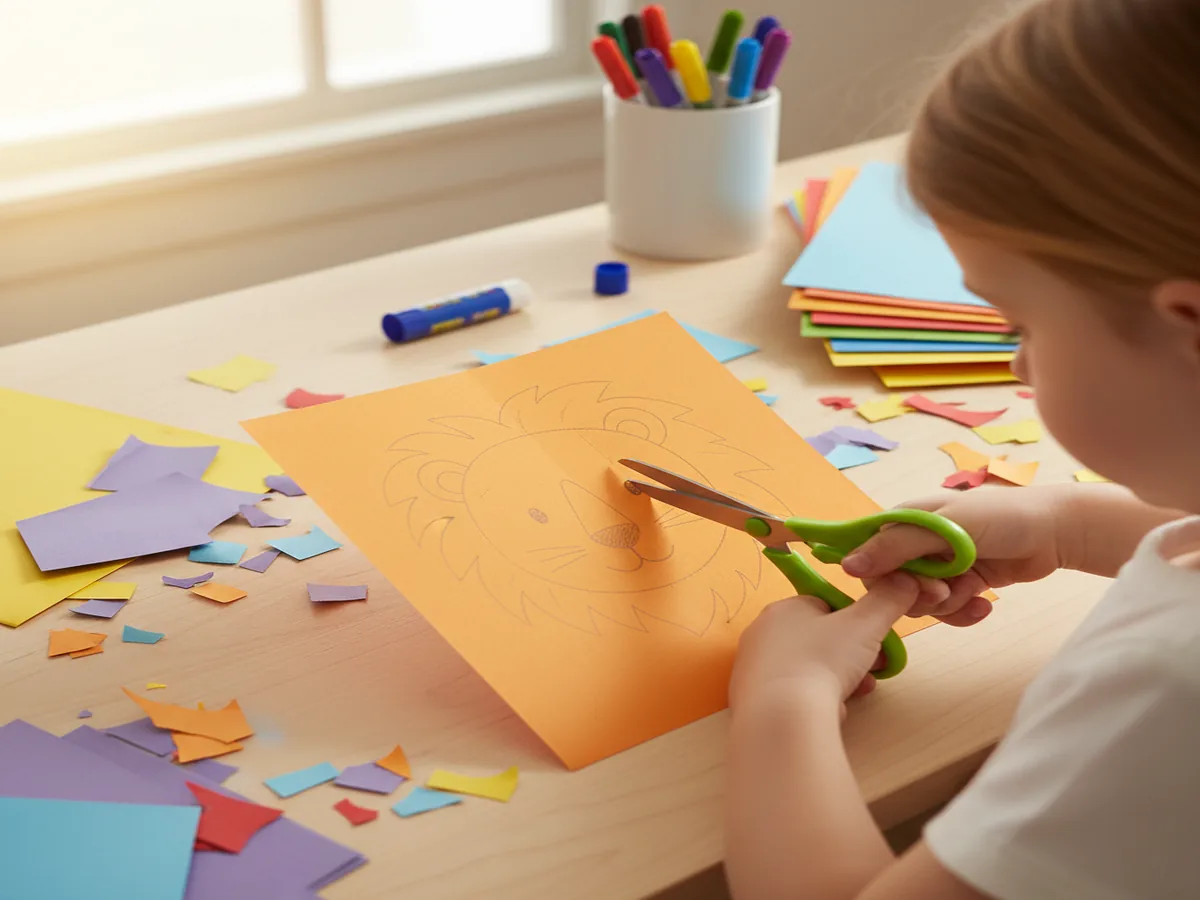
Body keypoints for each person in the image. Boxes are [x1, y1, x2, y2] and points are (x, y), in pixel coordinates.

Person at [724, 1, 1200, 897]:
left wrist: (781, 706)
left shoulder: (1169, 697)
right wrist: (1061, 521)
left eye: (1023, 323)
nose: (1016, 361)